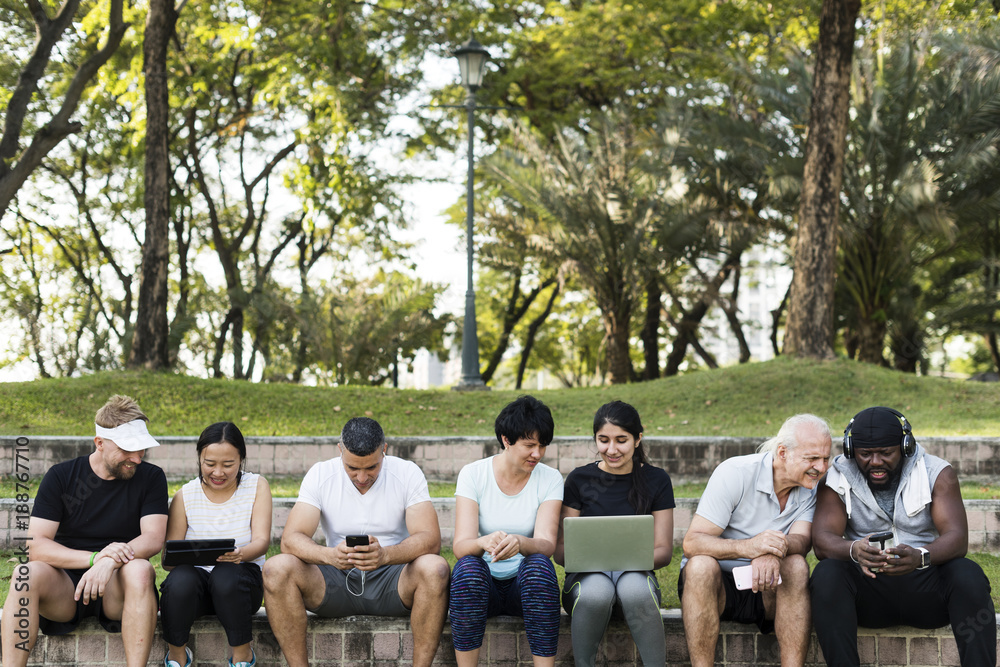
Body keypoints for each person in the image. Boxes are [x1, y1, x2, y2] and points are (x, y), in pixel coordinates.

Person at [810, 406, 996, 666]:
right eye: (865, 454)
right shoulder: (837, 476)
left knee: (968, 574)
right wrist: (855, 550)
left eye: (886, 453)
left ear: (905, 446)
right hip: (867, 593)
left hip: (926, 589)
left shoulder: (937, 472)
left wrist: (921, 556)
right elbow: (822, 539)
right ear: (852, 451)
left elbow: (957, 538)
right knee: (827, 574)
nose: (875, 462)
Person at [262, 416, 449, 667]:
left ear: (384, 450)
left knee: (434, 568)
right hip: (335, 578)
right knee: (276, 568)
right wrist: (329, 556)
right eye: (352, 468)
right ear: (340, 451)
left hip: (394, 580)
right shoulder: (321, 474)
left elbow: (430, 539)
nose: (362, 477)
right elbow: (291, 540)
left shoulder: (407, 472)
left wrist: (385, 555)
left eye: (371, 467)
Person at [0, 395, 168, 667]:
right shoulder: (61, 476)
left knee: (141, 570)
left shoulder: (151, 477)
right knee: (24, 573)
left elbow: (153, 538)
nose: (137, 458)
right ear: (99, 443)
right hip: (65, 586)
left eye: (142, 449)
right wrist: (95, 559)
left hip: (118, 584)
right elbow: (35, 546)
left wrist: (110, 562)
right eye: (127, 449)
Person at [679, 413, 832, 667]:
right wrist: (749, 547)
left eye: (826, 458)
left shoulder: (811, 485)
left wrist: (772, 551)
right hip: (717, 588)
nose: (822, 467)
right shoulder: (735, 473)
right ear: (782, 453)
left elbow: (802, 542)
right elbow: (692, 543)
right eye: (812, 458)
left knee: (796, 566)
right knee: (700, 566)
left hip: (768, 587)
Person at [555, 401, 674, 667]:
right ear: (595, 439)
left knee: (634, 589)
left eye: (621, 440)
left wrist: (623, 564)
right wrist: (591, 561)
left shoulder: (657, 480)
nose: (612, 449)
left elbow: (664, 550)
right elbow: (560, 549)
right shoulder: (579, 479)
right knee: (597, 591)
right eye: (603, 440)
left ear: (637, 439)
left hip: (636, 579)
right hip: (585, 583)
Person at [449, 395, 563, 667]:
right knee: (467, 568)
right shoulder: (473, 474)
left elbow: (547, 545)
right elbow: (460, 547)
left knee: (538, 566)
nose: (537, 453)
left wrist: (522, 543)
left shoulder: (550, 478)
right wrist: (483, 542)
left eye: (542, 445)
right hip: (482, 587)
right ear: (506, 440)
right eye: (529, 445)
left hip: (523, 589)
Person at [159, 422, 272, 667]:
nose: (218, 472)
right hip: (195, 592)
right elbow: (169, 562)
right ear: (199, 458)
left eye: (228, 465)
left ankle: (242, 656)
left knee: (226, 574)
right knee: (180, 580)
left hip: (240, 586)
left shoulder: (256, 486)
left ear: (241, 459)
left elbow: (262, 542)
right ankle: (177, 657)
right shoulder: (185, 495)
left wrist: (240, 554)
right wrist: (186, 558)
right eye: (209, 464)